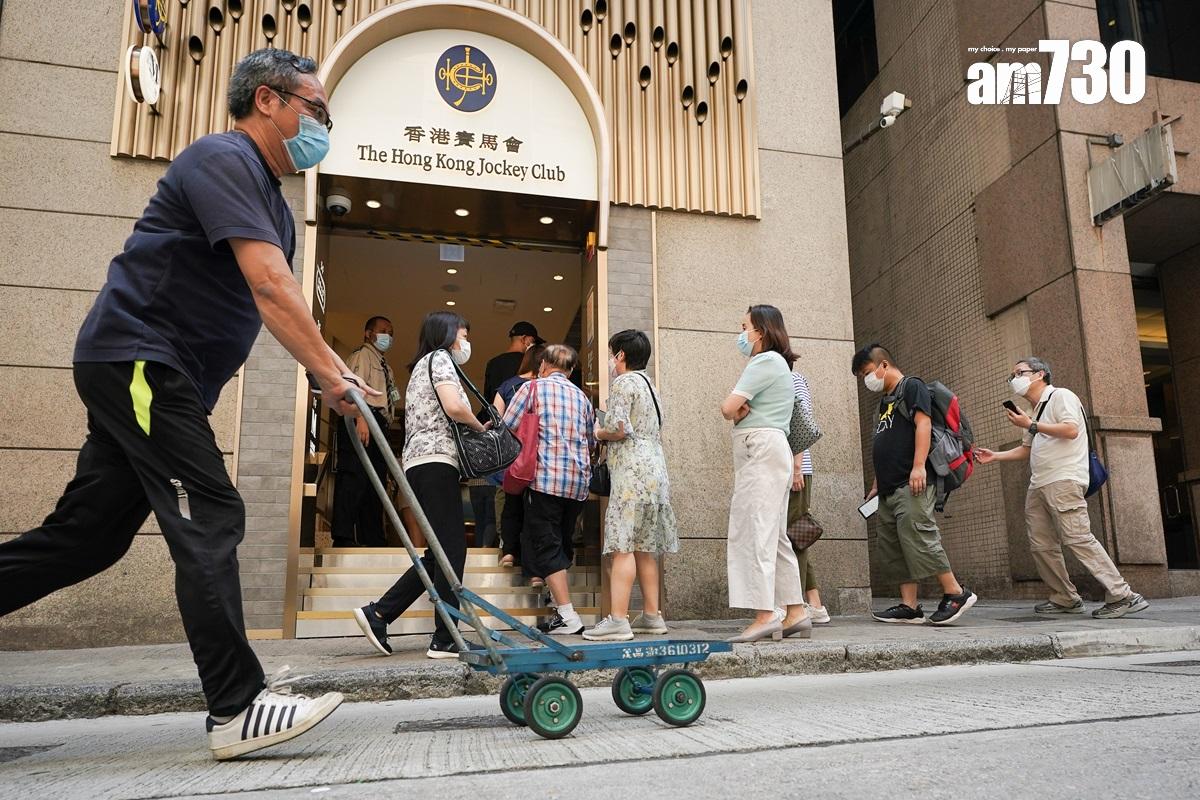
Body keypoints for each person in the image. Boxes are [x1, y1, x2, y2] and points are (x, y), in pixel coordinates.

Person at [0, 49, 362, 760]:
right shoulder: (223, 158)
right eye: (315, 109)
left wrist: (333, 369)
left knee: (88, 538)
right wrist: (327, 373)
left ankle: (237, 702)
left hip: (157, 376)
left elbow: (275, 291)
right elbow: (270, 285)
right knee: (212, 511)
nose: (322, 125)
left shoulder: (273, 199)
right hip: (143, 361)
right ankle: (237, 706)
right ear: (268, 100)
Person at [353, 311, 488, 659]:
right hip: (435, 462)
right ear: (447, 335)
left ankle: (379, 614)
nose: (466, 343)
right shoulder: (440, 359)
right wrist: (479, 427)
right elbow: (454, 406)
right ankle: (445, 638)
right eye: (463, 336)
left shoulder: (421, 367)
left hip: (421, 463)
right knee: (451, 551)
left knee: (439, 553)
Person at [975, 357, 1149, 619]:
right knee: (1041, 544)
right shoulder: (1034, 411)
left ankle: (1123, 594)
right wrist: (995, 456)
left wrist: (1030, 424)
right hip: (1039, 483)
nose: (1014, 379)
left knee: (1078, 537)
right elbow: (1026, 449)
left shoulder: (1061, 396)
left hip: (1064, 479)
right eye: (1012, 376)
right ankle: (1065, 597)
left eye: (1020, 373)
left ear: (1040, 374)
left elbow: (1070, 430)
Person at [852, 344, 977, 625]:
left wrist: (919, 466)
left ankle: (956, 592)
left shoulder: (912, 386)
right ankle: (909, 606)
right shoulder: (884, 402)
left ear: (884, 365)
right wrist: (877, 483)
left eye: (867, 372)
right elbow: (883, 443)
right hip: (888, 486)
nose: (866, 380)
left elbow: (923, 424)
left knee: (919, 533)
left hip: (913, 480)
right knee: (894, 544)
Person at [720, 305, 810, 643]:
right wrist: (739, 410)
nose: (741, 333)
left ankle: (765, 614)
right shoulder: (779, 364)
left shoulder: (763, 362)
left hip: (759, 448)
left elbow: (728, 407)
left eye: (744, 326)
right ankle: (795, 611)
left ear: (760, 331)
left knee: (754, 530)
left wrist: (736, 410)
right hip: (773, 449)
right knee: (774, 535)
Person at [584, 330, 679, 641]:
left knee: (622, 545)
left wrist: (598, 432)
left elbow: (619, 428)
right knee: (645, 547)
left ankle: (618, 620)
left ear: (621, 355)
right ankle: (652, 616)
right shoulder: (650, 385)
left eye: (612, 353)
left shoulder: (624, 382)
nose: (611, 360)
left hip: (631, 473)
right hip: (655, 470)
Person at [502, 344, 596, 636]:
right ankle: (559, 611)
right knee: (562, 543)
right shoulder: (582, 397)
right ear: (570, 370)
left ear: (542, 365)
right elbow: (591, 440)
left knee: (546, 544)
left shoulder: (531, 389)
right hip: (577, 483)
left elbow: (507, 426)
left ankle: (568, 616)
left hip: (544, 480)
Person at [332, 315, 397, 547]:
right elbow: (352, 389)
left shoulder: (386, 366)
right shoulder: (362, 355)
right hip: (362, 416)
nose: (388, 336)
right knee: (354, 475)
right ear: (368, 334)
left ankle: (373, 537)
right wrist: (360, 417)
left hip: (380, 423)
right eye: (383, 331)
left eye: (390, 332)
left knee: (375, 482)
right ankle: (343, 536)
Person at [491, 342, 547, 573]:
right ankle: (531, 563)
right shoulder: (546, 388)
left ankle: (508, 551)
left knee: (510, 502)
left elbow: (497, 420)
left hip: (514, 456)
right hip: (540, 457)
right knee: (533, 508)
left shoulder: (507, 386)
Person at [784, 371, 830, 625]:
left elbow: (803, 423)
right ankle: (815, 605)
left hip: (796, 470)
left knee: (794, 537)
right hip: (787, 469)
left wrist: (796, 467)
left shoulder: (793, 379)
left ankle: (795, 607)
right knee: (796, 535)